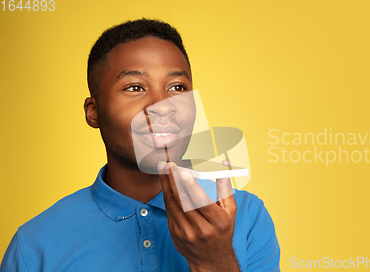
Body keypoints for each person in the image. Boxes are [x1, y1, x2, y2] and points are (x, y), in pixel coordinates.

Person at [0, 18, 280, 272]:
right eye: (135, 87)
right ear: (93, 112)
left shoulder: (245, 217)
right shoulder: (34, 245)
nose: (163, 106)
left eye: (177, 88)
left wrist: (214, 262)